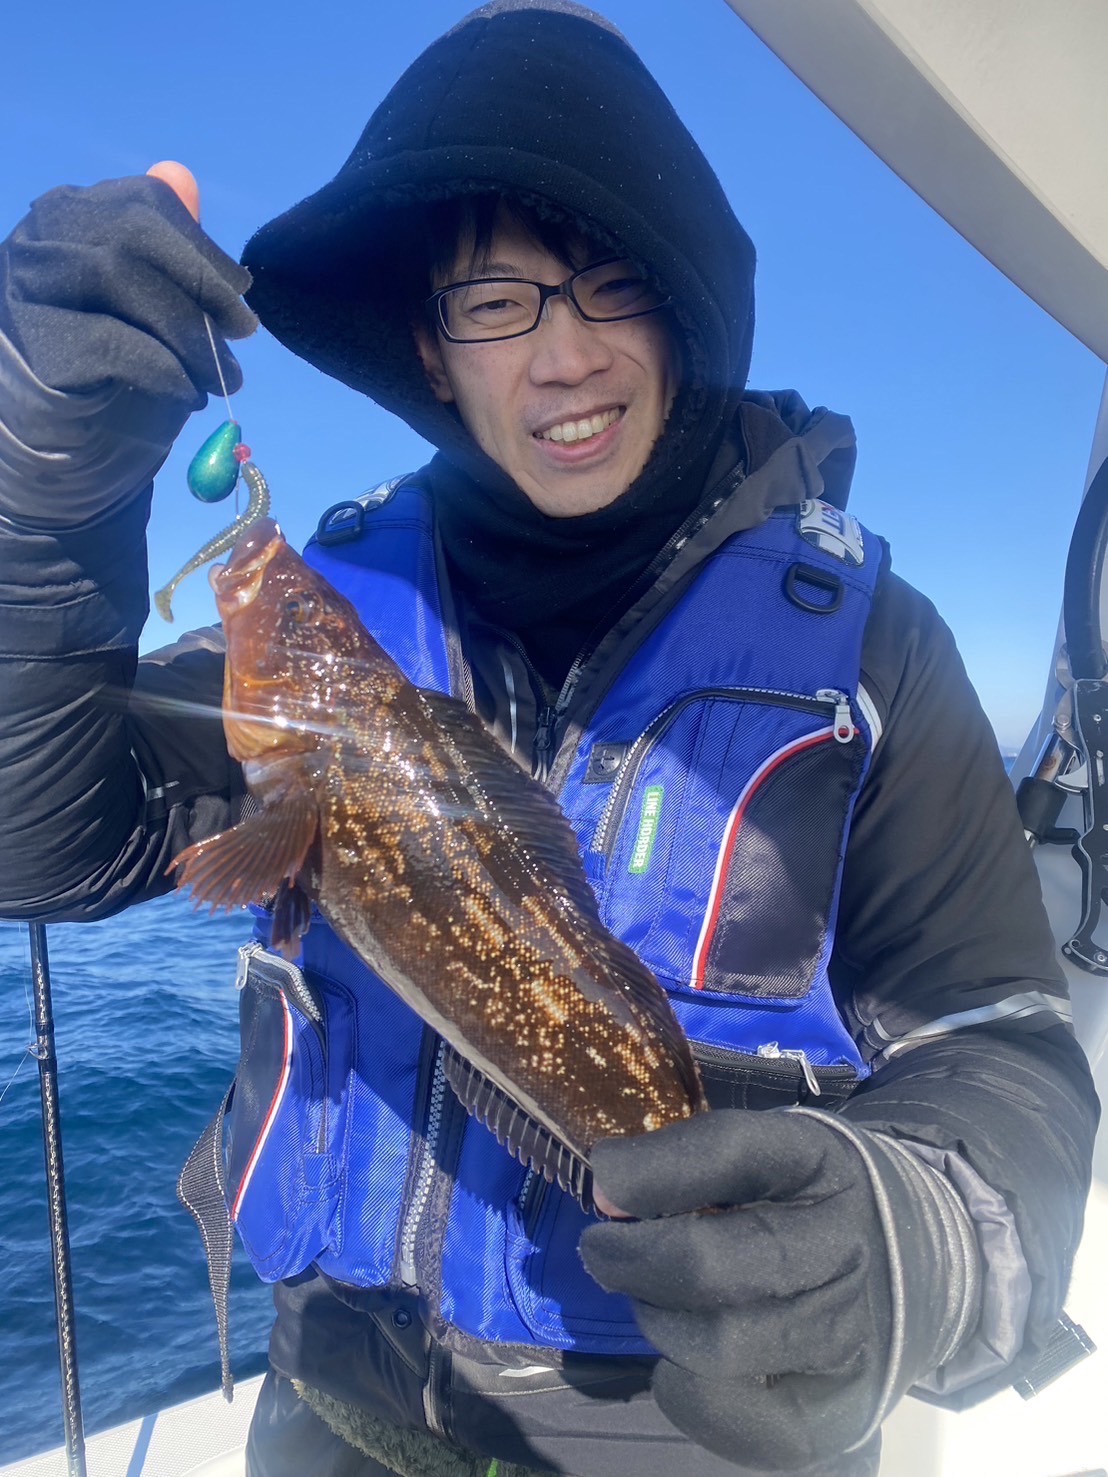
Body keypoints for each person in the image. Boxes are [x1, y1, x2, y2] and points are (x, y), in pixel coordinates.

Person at [0, 3, 1098, 1475]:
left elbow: (1005, 1051)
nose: (564, 355)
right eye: (496, 301)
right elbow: (38, 842)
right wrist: (44, 491)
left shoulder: (873, 652)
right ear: (431, 348)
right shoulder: (342, 631)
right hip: (326, 1402)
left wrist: (905, 1255)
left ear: (684, 306)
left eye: (611, 283)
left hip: (686, 1428)